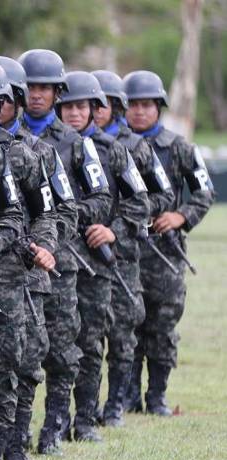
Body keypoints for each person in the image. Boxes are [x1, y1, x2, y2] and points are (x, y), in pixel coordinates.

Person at [0, 58, 59, 460]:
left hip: (8, 277)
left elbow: (47, 213)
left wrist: (43, 245)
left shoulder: (23, 155)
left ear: (6, 104)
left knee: (5, 369)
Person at [18, 49, 112, 454]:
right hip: (13, 259)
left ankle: (55, 427)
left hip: (64, 261)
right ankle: (12, 438)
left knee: (63, 346)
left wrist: (59, 220)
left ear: (56, 92)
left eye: (44, 88)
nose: (36, 95)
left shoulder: (75, 145)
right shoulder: (6, 138)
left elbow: (100, 196)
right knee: (19, 351)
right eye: (30, 87)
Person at [56, 70, 147, 441]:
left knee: (92, 340)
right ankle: (56, 421)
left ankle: (86, 418)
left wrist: (114, 230)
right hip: (58, 258)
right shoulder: (45, 146)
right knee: (60, 344)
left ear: (96, 109)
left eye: (82, 106)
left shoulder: (114, 151)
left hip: (97, 259)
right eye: (68, 107)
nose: (74, 113)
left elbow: (139, 203)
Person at [123, 70, 215, 415]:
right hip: (126, 251)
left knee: (161, 327)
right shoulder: (114, 146)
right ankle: (126, 395)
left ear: (158, 107)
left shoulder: (179, 148)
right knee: (126, 325)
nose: (139, 111)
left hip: (165, 254)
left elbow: (204, 191)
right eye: (133, 105)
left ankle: (156, 396)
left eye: (147, 105)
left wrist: (181, 216)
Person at [91, 69, 159, 427]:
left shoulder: (133, 148)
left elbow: (149, 198)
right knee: (86, 335)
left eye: (103, 105)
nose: (96, 110)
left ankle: (116, 403)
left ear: (115, 107)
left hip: (123, 253)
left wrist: (115, 231)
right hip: (83, 253)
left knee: (121, 332)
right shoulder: (76, 145)